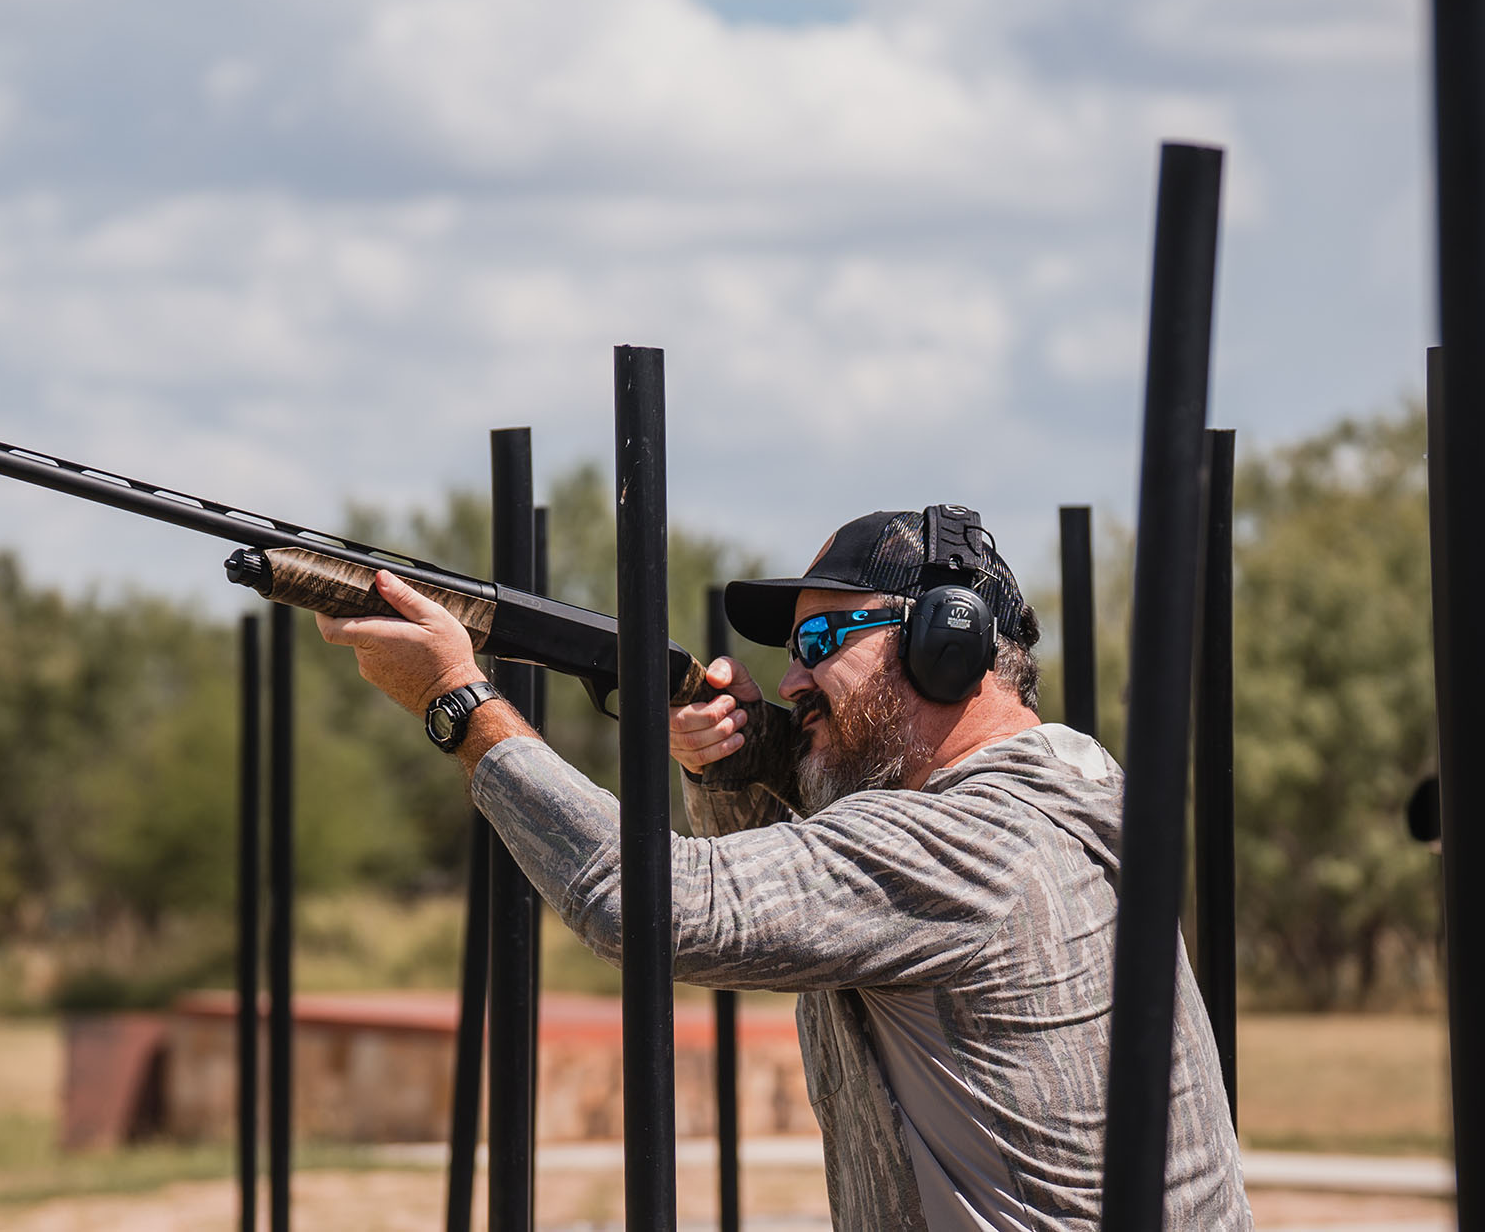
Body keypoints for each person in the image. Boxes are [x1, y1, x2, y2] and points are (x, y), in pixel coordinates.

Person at [315, 507, 1251, 1230]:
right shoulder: (1061, 792)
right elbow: (791, 910)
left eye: (821, 642)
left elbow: (653, 906)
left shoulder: (974, 844)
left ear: (946, 641)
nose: (794, 677)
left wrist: (460, 704)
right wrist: (741, 760)